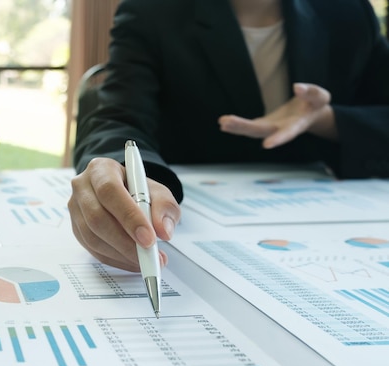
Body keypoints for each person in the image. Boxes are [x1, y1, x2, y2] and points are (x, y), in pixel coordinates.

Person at [69, 0, 389, 272]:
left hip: (333, 229)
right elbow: (117, 117)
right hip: (192, 226)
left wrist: (327, 120)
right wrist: (122, 173)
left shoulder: (348, 11)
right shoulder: (152, 10)